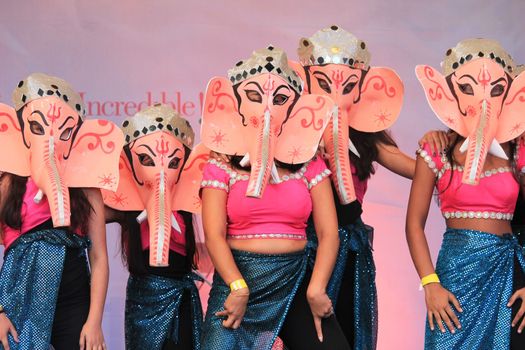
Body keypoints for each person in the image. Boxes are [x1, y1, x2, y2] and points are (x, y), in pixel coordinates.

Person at [291, 25, 449, 349]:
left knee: (347, 332)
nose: (335, 94)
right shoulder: (292, 140)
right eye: (323, 83)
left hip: (350, 249)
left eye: (347, 84)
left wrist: (444, 147)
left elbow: (416, 167)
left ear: (361, 88)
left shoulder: (365, 138)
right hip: (307, 251)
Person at [199, 46, 350, 350]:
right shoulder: (219, 166)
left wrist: (317, 288)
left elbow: (327, 233)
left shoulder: (310, 165)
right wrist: (238, 287)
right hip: (238, 278)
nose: (267, 108)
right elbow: (213, 236)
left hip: (294, 280)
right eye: (254, 97)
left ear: (294, 108)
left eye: (280, 99)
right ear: (237, 104)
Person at [406, 38, 525, 349]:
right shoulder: (436, 151)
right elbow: (414, 225)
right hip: (455, 275)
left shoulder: (518, 152)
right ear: (451, 95)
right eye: (468, 88)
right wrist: (430, 283)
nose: (482, 101)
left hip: (508, 274)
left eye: (496, 90)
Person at [0, 73, 124, 349]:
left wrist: (94, 322)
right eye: (37, 126)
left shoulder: (86, 187)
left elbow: (100, 257)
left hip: (73, 298)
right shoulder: (8, 182)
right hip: (19, 296)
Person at [103, 104, 205, 350]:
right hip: (144, 296)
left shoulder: (186, 206)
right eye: (147, 160)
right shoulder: (126, 208)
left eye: (172, 162)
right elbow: (88, 215)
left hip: (182, 294)